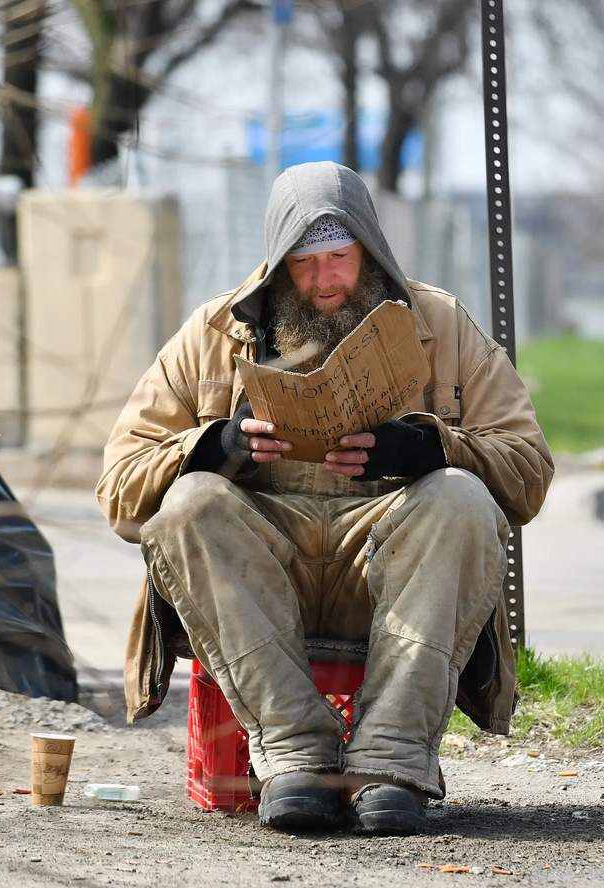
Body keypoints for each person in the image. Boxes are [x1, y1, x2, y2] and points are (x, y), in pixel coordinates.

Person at [98, 161, 553, 835]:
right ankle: (295, 756)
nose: (324, 280)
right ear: (278, 264)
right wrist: (211, 448)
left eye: (339, 258)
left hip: (387, 564)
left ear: (368, 247)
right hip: (261, 569)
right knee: (190, 501)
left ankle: (389, 761)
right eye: (304, 265)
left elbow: (529, 467)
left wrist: (434, 448)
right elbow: (119, 486)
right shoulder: (214, 332)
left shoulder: (441, 324)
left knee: (460, 497)